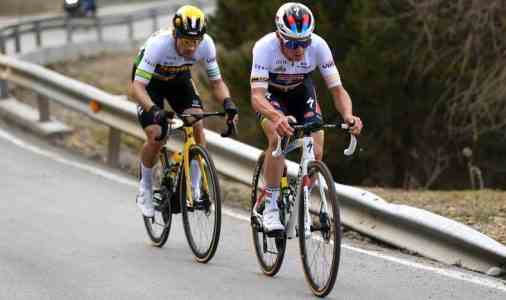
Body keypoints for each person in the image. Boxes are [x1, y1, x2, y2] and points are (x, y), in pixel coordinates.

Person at [250, 2, 363, 232]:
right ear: (280, 37)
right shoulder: (264, 48)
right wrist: (276, 116)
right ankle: (271, 206)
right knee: (276, 138)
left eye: (304, 43)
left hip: (302, 92)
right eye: (293, 44)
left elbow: (337, 90)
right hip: (272, 97)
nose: (299, 50)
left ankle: (298, 198)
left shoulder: (319, 46)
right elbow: (256, 96)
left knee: (317, 149)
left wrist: (349, 115)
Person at [130, 5, 239, 217]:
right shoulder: (158, 46)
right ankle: (145, 188)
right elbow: (136, 87)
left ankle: (196, 187)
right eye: (186, 42)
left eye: (195, 42)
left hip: (179, 80)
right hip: (149, 84)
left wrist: (228, 103)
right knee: (156, 135)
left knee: (197, 122)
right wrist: (154, 109)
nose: (191, 48)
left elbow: (217, 83)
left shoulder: (206, 45)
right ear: (175, 35)